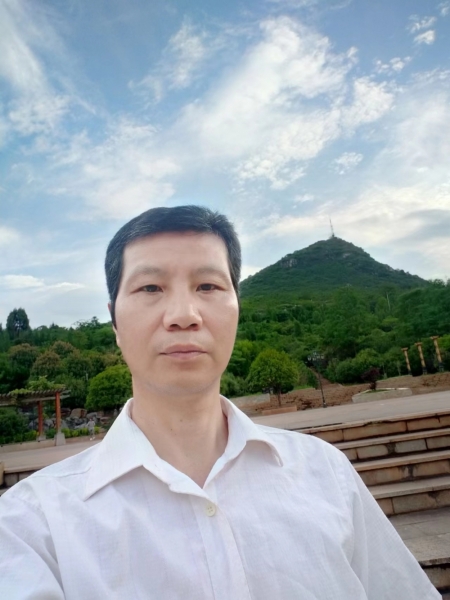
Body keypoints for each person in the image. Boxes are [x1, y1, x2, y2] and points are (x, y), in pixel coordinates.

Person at [0, 206, 441, 599]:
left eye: (208, 285)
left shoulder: (326, 474)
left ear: (237, 308)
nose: (183, 315)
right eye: (150, 287)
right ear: (114, 321)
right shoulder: (33, 525)